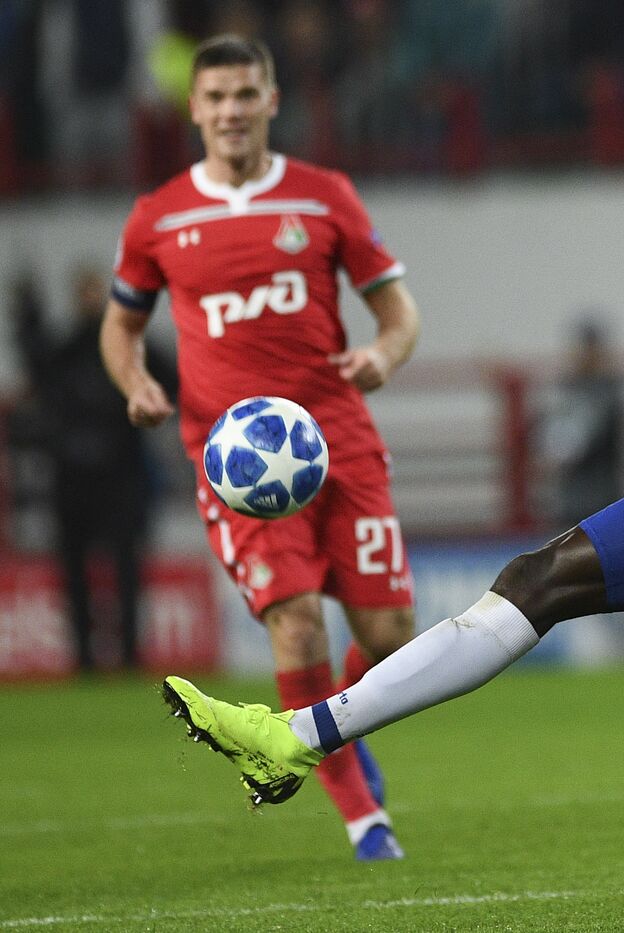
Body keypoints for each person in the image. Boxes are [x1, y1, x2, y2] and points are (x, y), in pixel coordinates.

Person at [100, 35, 421, 862]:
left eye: (247, 94)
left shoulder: (322, 198)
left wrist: (381, 357)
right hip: (231, 458)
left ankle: (342, 723)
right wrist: (135, 382)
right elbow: (120, 326)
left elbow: (397, 311)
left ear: (272, 100)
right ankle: (362, 815)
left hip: (335, 436)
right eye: (216, 98)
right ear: (194, 108)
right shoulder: (159, 215)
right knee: (297, 625)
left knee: (390, 635)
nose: (232, 111)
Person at [10, 265, 174, 672]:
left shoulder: (127, 349)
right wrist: (26, 315)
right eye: (83, 291)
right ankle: (83, 657)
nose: (88, 299)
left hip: (122, 476)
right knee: (74, 570)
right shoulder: (68, 348)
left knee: (127, 568)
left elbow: (168, 377)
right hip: (72, 479)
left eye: (93, 291)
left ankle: (130, 655)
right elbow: (38, 363)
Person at [540, 318, 624, 526]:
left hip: (603, 496)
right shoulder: (568, 388)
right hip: (571, 500)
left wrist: (559, 448)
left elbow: (585, 437)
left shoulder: (608, 390)